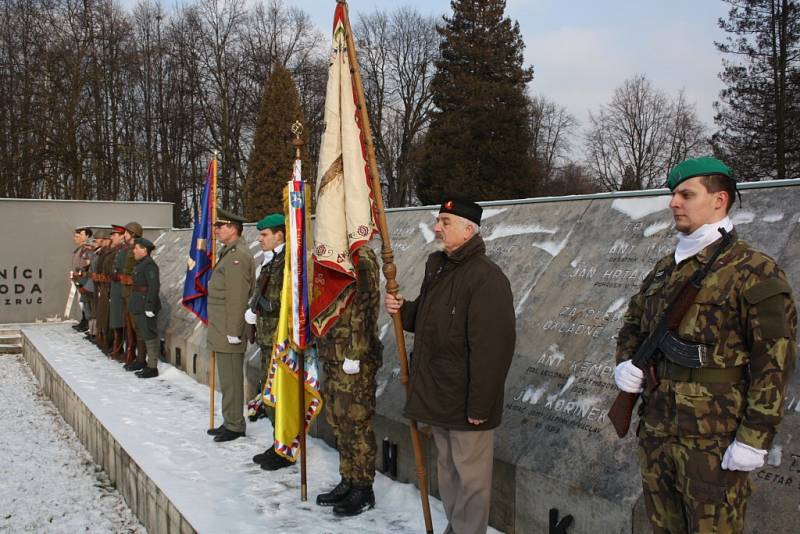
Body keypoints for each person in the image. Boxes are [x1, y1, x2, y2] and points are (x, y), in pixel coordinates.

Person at [613, 156, 797, 534]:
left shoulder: (753, 269)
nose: (673, 202)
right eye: (673, 194)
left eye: (685, 193)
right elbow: (633, 323)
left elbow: (774, 363)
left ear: (719, 200)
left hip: (713, 440)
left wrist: (754, 437)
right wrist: (626, 364)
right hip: (658, 429)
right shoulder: (666, 268)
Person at [384, 198, 516, 534]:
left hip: (467, 403)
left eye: (445, 221)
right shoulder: (439, 266)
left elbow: (493, 348)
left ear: (468, 229)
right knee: (449, 474)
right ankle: (457, 529)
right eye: (438, 220)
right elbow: (432, 320)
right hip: (440, 395)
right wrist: (403, 309)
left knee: (471, 484)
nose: (437, 227)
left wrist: (480, 406)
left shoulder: (486, 278)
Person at [316, 245, 383, 516]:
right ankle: (348, 478)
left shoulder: (361, 256)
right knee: (337, 419)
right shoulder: (333, 251)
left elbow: (366, 306)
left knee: (356, 422)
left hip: (353, 356)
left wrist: (356, 352)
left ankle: (363, 488)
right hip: (332, 352)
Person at [245, 213, 291, 470]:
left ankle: (284, 448)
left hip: (279, 340)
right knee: (269, 394)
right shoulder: (270, 260)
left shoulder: (286, 262)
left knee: (279, 395)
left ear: (279, 235)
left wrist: (260, 307)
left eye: (264, 235)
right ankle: (278, 442)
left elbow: (285, 303)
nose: (260, 239)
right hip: (266, 338)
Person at [206, 208, 255, 442]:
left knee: (232, 379)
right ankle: (230, 420)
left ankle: (235, 425)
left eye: (221, 226)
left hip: (229, 330)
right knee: (227, 378)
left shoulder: (238, 256)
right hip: (222, 327)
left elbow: (237, 298)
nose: (216, 230)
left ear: (234, 229)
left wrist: (235, 332)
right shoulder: (229, 253)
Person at [128, 238, 162, 379]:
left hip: (144, 305)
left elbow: (154, 286)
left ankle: (152, 367)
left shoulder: (149, 265)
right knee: (141, 333)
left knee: (149, 334)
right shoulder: (141, 264)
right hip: (138, 304)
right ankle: (142, 362)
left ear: (144, 250)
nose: (134, 251)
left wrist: (149, 306)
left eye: (136, 248)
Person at [120, 222, 144, 370]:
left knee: (138, 327)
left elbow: (140, 272)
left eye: (127, 232)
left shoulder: (139, 249)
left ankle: (141, 359)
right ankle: (134, 355)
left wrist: (130, 280)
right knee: (131, 327)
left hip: (134, 293)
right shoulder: (129, 249)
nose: (124, 235)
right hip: (127, 292)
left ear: (133, 234)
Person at [108, 225, 128, 360]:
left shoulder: (125, 250)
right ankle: (117, 346)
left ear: (122, 236)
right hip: (115, 288)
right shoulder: (118, 250)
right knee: (116, 319)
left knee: (121, 320)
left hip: (121, 288)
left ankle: (120, 348)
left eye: (115, 234)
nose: (112, 237)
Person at [70, 227, 93, 332]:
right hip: (79, 279)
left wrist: (82, 276)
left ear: (87, 236)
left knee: (85, 302)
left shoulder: (87, 249)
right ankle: (84, 321)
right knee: (81, 302)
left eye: (80, 235)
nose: (76, 238)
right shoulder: (79, 249)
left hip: (84, 279)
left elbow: (88, 265)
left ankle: (86, 323)